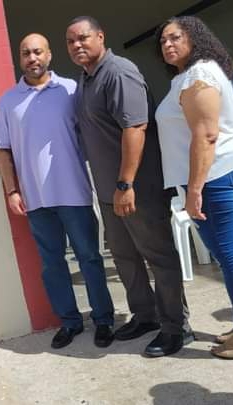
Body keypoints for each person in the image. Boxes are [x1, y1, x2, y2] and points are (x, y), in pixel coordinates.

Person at [66, 16, 190, 357]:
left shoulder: (118, 72)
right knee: (124, 257)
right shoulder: (86, 78)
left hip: (137, 188)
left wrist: (126, 183)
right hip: (109, 191)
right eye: (71, 41)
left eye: (83, 38)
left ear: (101, 37)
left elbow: (135, 127)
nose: (77, 45)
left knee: (158, 256)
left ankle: (176, 328)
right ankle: (146, 315)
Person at [0, 33, 115, 349]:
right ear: (19, 59)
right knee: (52, 264)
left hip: (74, 191)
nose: (32, 58)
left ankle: (103, 320)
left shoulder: (71, 90)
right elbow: (3, 151)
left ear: (49, 55)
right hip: (35, 200)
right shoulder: (8, 101)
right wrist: (12, 191)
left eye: (37, 52)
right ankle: (70, 321)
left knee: (89, 258)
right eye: (25, 53)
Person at [154, 16, 233, 359]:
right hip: (207, 178)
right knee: (225, 255)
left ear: (194, 37)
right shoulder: (188, 75)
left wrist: (195, 189)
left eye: (176, 37)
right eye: (163, 41)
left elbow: (206, 134)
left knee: (230, 256)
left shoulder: (199, 74)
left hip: (214, 178)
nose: (168, 44)